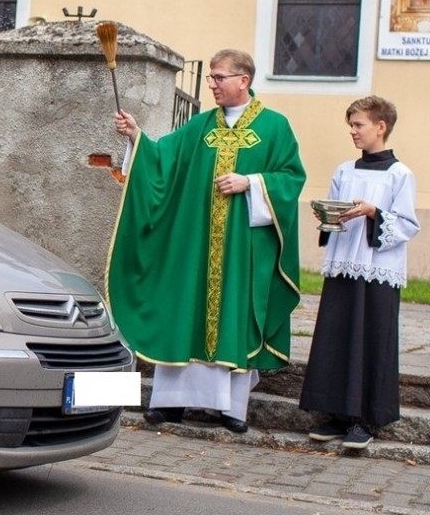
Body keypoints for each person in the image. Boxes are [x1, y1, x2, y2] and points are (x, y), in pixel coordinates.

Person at [107, 48, 306, 433]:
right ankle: (170, 403)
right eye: (212, 77)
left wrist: (252, 183)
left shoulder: (275, 127)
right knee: (186, 312)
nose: (212, 84)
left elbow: (292, 177)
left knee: (233, 312)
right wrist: (137, 136)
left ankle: (231, 408)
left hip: (241, 248)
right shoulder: (201, 126)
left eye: (219, 77)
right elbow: (163, 160)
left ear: (243, 80)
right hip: (197, 246)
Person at [299, 96, 420, 451]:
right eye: (350, 125)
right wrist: (327, 216)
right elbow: (333, 213)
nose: (352, 131)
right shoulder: (344, 170)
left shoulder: (400, 174)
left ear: (380, 127)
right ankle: (336, 412)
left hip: (378, 269)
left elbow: (407, 224)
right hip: (343, 265)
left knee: (370, 340)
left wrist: (372, 212)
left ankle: (365, 419)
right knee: (337, 338)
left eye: (359, 125)